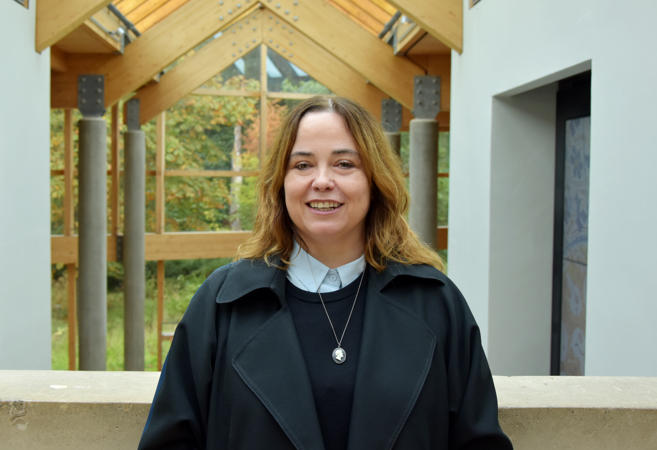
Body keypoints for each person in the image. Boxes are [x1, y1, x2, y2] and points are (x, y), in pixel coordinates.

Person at [138, 96, 512, 449]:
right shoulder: (222, 302)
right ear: (281, 184)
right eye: (302, 165)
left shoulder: (436, 302)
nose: (321, 181)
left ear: (375, 181)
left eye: (344, 164)